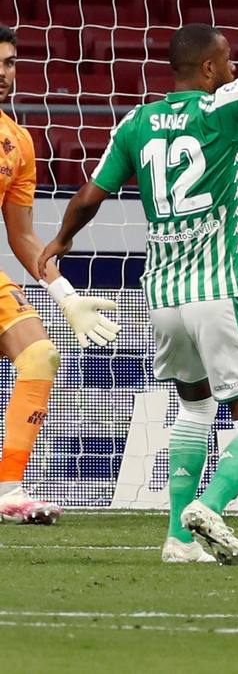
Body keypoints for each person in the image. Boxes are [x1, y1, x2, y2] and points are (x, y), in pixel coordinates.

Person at [38, 0, 238, 564]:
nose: (232, 64)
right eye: (227, 57)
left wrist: (59, 243)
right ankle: (208, 509)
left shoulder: (137, 122)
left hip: (161, 295)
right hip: (218, 289)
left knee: (192, 409)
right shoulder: (220, 108)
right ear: (212, 67)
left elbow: (89, 195)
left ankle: (173, 538)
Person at [0, 26, 120, 525]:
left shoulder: (18, 143)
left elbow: (22, 236)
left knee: (40, 355)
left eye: (9, 63)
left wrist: (63, 293)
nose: (3, 73)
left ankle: (8, 489)